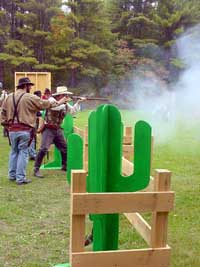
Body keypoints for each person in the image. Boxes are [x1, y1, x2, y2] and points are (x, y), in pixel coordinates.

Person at [0, 77, 67, 185]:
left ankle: (12, 175)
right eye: (30, 85)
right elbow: (45, 104)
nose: (31, 87)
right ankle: (20, 178)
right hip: (24, 129)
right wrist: (59, 102)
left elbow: (2, 112)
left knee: (14, 151)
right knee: (23, 152)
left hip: (12, 129)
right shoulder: (30, 97)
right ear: (26, 86)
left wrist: (5, 124)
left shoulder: (9, 97)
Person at [33, 86, 86, 178]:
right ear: (61, 95)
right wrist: (64, 101)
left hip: (57, 129)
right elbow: (55, 108)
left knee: (65, 148)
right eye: (65, 95)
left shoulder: (65, 104)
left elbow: (73, 112)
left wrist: (78, 102)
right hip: (48, 128)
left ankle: (65, 165)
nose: (67, 96)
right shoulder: (51, 100)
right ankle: (36, 168)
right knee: (44, 149)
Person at [28, 90, 42, 160]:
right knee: (31, 138)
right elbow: (38, 113)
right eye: (39, 95)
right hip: (31, 122)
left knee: (32, 138)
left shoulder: (32, 101)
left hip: (32, 122)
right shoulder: (34, 102)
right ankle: (32, 154)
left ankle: (32, 153)